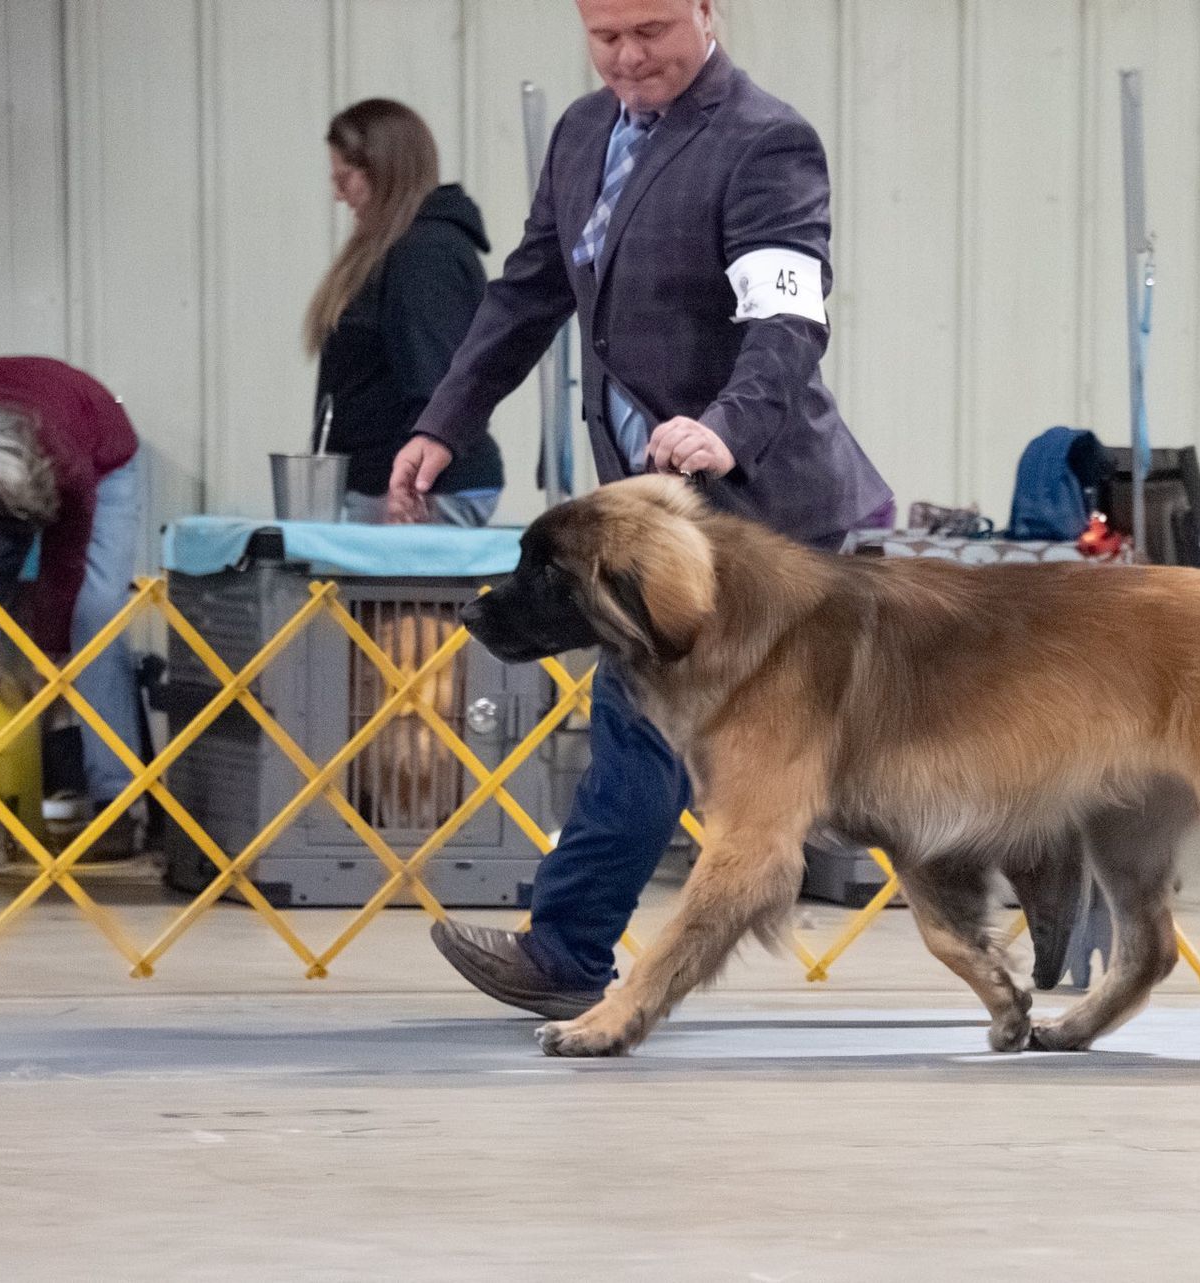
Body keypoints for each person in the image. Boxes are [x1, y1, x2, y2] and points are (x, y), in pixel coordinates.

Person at [404, 0, 891, 1016]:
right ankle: (570, 950)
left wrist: (724, 425)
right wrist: (446, 422)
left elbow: (787, 317)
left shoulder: (766, 138)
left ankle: (567, 949)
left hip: (761, 503)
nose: (627, 56)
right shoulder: (584, 132)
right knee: (712, 738)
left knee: (712, 738)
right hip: (650, 513)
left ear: (708, 12)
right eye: (605, 35)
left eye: (652, 30)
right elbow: (530, 289)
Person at [0, 356, 144, 854]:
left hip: (103, 454)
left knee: (96, 616)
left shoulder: (69, 467)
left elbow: (65, 563)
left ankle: (117, 805)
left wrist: (52, 654)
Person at [307, 98, 505, 526]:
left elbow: (435, 380)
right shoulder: (403, 251)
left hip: (416, 490)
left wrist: (414, 485)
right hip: (390, 480)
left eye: (345, 178)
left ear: (382, 171)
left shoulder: (424, 255)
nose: (338, 195)